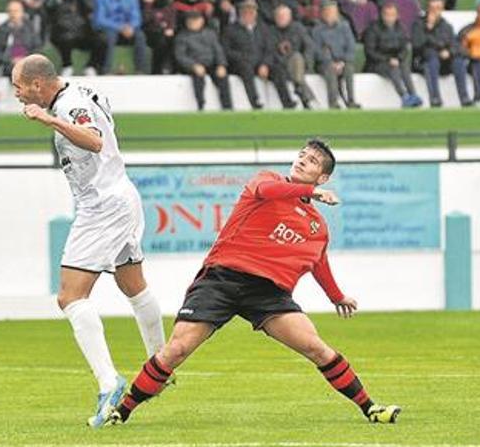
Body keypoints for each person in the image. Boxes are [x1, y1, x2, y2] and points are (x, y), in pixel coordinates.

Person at [104, 139, 403, 427]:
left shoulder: (317, 226)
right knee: (176, 350)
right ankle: (123, 410)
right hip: (222, 279)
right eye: (301, 154)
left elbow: (318, 263)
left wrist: (337, 297)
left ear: (323, 176)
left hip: (268, 293)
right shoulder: (267, 181)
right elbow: (269, 190)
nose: (302, 160)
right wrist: (309, 192)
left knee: (318, 348)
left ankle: (371, 408)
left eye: (312, 160)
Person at [10, 53, 166, 429]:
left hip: (102, 207)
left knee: (70, 296)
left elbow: (94, 141)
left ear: (37, 85)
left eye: (18, 88)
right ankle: (161, 360)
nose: (17, 95)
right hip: (121, 194)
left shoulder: (70, 105)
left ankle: (109, 382)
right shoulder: (81, 91)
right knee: (132, 283)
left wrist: (50, 119)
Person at [411, 0, 470, 107]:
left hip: (444, 61)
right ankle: (435, 98)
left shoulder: (446, 26)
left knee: (458, 61)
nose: (435, 11)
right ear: (427, 9)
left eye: (438, 8)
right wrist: (429, 28)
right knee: (432, 59)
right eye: (432, 8)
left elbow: (455, 45)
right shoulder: (418, 24)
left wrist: (449, 52)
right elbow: (417, 45)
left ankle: (464, 97)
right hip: (425, 61)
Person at [364, 2, 423, 108]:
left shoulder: (400, 28)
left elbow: (404, 48)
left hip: (396, 60)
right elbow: (370, 51)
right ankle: (404, 96)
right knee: (394, 69)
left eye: (392, 15)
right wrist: (387, 59)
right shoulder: (373, 29)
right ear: (382, 15)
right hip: (377, 63)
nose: (389, 18)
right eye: (387, 14)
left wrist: (399, 58)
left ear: (397, 16)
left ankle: (413, 94)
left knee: (404, 67)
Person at [46, 0, 104, 77]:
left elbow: (91, 6)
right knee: (65, 38)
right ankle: (67, 66)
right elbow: (48, 6)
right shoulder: (55, 0)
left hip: (80, 33)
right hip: (62, 34)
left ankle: (91, 66)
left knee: (101, 40)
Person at [92, 0, 149, 74]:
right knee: (109, 36)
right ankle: (106, 71)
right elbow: (99, 19)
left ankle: (141, 70)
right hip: (108, 28)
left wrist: (131, 26)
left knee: (140, 35)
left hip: (127, 29)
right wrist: (120, 27)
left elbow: (136, 17)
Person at [174, 10, 232, 110]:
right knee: (198, 78)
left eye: (196, 20)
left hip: (211, 63)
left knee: (222, 77)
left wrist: (221, 65)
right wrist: (193, 65)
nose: (193, 23)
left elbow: (218, 51)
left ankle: (227, 106)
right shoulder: (182, 37)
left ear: (202, 21)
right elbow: (180, 56)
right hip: (194, 65)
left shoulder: (210, 34)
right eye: (190, 21)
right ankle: (200, 105)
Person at [264, 4, 317, 109]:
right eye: (279, 16)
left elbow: (309, 46)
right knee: (287, 69)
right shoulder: (270, 32)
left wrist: (307, 62)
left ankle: (299, 86)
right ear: (275, 18)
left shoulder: (298, 28)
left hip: (298, 64)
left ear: (290, 17)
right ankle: (303, 94)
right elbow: (269, 52)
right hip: (279, 65)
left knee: (297, 57)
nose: (281, 18)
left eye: (284, 16)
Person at [221, 0, 269, 109]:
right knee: (246, 68)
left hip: (259, 63)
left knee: (278, 70)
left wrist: (265, 64)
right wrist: (242, 57)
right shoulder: (230, 30)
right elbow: (226, 50)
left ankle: (288, 102)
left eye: (251, 12)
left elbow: (269, 49)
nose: (248, 15)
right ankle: (254, 101)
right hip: (239, 64)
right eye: (245, 12)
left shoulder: (263, 29)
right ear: (240, 13)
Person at [312, 0, 360, 109]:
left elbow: (351, 46)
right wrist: (330, 62)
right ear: (322, 13)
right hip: (325, 63)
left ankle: (351, 100)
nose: (330, 15)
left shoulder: (345, 27)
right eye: (328, 12)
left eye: (333, 12)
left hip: (343, 61)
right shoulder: (317, 30)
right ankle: (333, 103)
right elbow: (317, 51)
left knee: (349, 69)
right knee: (330, 70)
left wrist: (343, 62)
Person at [0, 0, 42, 76]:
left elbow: (37, 48)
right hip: (8, 64)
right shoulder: (1, 29)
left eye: (16, 11)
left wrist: (26, 59)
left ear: (22, 12)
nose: (13, 14)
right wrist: (10, 60)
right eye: (10, 11)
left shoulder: (30, 28)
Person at [141, 0, 177, 74]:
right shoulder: (145, 1)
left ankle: (172, 69)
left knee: (174, 39)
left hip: (165, 32)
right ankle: (156, 70)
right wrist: (148, 4)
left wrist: (170, 28)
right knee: (160, 40)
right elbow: (145, 19)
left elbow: (172, 19)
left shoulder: (169, 3)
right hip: (149, 31)